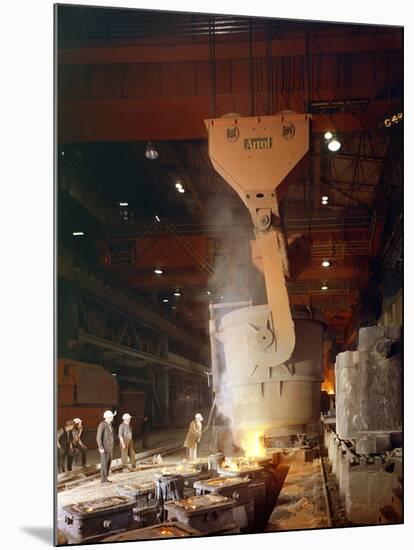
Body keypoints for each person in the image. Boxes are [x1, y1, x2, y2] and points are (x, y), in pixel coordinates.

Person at [96, 410, 116, 483]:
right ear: (108, 417)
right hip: (104, 448)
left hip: (110, 447)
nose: (113, 418)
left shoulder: (110, 424)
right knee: (104, 463)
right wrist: (101, 448)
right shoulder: (102, 424)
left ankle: (106, 478)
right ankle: (103, 480)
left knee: (108, 463)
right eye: (112, 417)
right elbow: (98, 437)